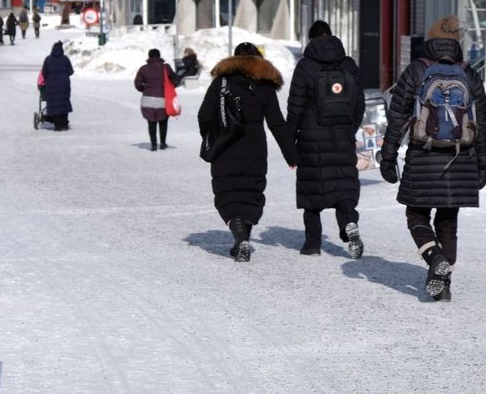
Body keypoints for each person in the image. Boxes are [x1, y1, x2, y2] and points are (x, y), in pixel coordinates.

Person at [379, 15, 486, 301]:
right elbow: (482, 123)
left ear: (430, 41)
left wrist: (388, 157)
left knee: (416, 215)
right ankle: (444, 284)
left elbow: (397, 118)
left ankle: (434, 256)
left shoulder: (417, 70)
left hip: (423, 157)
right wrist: (482, 164)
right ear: (456, 43)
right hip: (461, 159)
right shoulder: (469, 74)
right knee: (448, 220)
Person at [197, 42, 299, 262]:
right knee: (251, 193)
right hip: (255, 147)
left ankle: (239, 235)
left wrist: (212, 136)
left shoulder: (221, 82)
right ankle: (243, 238)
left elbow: (204, 115)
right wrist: (291, 154)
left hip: (225, 147)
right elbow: (277, 123)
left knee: (228, 192)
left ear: (234, 59)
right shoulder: (265, 86)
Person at [286, 20, 366, 258]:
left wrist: (290, 142)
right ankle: (348, 223)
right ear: (331, 36)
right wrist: (349, 129)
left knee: (312, 193)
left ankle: (312, 243)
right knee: (343, 188)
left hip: (311, 138)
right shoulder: (349, 65)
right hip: (342, 137)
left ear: (311, 39)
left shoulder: (305, 67)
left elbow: (295, 108)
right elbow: (359, 104)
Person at [134, 48, 179, 151]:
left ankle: (154, 145)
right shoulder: (166, 68)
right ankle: (162, 143)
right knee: (163, 121)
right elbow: (175, 80)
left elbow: (137, 84)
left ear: (149, 56)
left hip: (147, 100)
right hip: (163, 99)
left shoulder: (143, 69)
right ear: (159, 56)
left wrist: (145, 89)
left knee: (151, 122)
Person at [40, 40, 74, 131]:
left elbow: (44, 73)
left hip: (51, 86)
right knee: (64, 103)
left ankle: (57, 125)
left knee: (54, 105)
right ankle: (64, 124)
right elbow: (71, 71)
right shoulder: (65, 59)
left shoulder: (48, 59)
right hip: (64, 86)